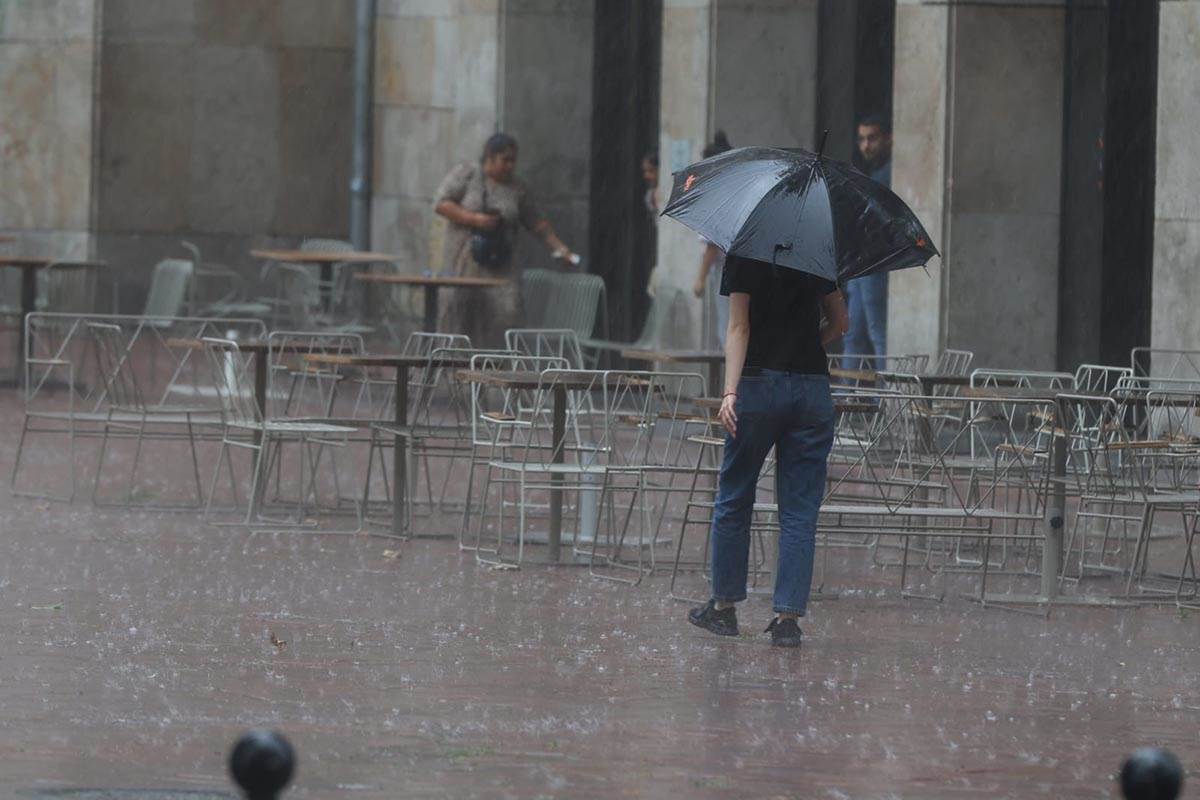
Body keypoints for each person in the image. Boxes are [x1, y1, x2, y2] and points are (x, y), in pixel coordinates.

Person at [688, 255, 848, 648]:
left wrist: (729, 391)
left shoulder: (746, 251)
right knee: (799, 510)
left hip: (759, 385)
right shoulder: (819, 252)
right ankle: (787, 619)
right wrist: (809, 344)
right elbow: (841, 324)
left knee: (735, 496)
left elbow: (739, 326)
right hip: (811, 389)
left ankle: (724, 609)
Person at [434, 133, 576, 345]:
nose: (510, 166)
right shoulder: (468, 174)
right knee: (461, 317)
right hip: (464, 263)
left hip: (502, 267)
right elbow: (441, 204)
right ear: (490, 157)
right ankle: (455, 369)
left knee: (505, 316)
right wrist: (475, 219)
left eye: (513, 160)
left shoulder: (517, 188)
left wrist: (559, 248)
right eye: (505, 160)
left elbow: (537, 222)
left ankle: (494, 369)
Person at [843, 114, 893, 365]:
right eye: (861, 139)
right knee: (853, 335)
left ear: (888, 139)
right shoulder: (871, 171)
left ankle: (884, 401)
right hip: (861, 265)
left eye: (872, 138)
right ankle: (846, 399)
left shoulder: (889, 173)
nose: (866, 145)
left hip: (876, 263)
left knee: (878, 335)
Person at [693, 131, 733, 345]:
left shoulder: (717, 195)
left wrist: (700, 278)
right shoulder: (735, 190)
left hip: (725, 269)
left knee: (727, 328)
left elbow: (712, 244)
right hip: (740, 266)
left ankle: (731, 375)